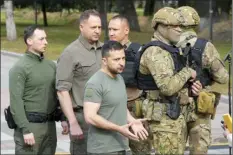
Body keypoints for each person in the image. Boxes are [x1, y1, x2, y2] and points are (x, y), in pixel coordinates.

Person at [137, 7, 198, 154]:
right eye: (174, 26)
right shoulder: (155, 52)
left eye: (181, 26)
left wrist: (191, 86)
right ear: (161, 27)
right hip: (164, 120)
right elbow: (167, 87)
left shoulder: (169, 50)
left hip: (173, 117)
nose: (179, 30)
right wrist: (187, 72)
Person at [176, 6, 229, 154]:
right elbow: (223, 77)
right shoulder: (205, 47)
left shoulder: (167, 45)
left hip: (173, 109)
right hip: (200, 107)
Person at [83, 40, 148, 155]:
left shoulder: (119, 78)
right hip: (103, 149)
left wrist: (132, 121)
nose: (122, 63)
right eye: (116, 59)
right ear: (104, 61)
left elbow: (121, 106)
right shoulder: (95, 83)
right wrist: (118, 128)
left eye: (123, 58)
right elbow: (90, 117)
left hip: (122, 147)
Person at [56, 9, 102, 155]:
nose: (97, 31)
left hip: (105, 115)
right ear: (82, 27)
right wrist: (73, 122)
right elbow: (62, 91)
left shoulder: (105, 50)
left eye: (99, 27)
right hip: (83, 119)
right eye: (93, 27)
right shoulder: (70, 53)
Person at [9, 25, 61, 154]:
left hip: (49, 127)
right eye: (41, 39)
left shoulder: (51, 66)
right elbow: (16, 101)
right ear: (29, 41)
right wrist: (25, 130)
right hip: (30, 127)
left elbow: (57, 95)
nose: (46, 42)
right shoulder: (20, 67)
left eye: (46, 39)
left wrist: (64, 118)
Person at [108, 15, 150, 154]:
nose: (111, 33)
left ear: (126, 30)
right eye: (109, 29)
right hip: (111, 110)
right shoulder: (104, 52)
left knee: (140, 150)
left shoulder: (139, 51)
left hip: (134, 109)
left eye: (115, 29)